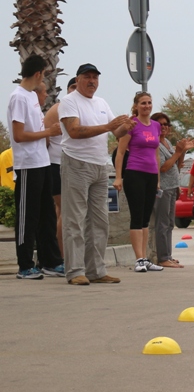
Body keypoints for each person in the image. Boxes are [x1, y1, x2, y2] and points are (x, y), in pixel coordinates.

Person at [59, 63, 133, 285]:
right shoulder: (69, 101)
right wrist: (109, 126)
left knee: (100, 221)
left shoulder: (101, 103)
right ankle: (75, 271)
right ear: (78, 79)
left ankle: (97, 270)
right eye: (87, 77)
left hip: (100, 166)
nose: (92, 81)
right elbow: (74, 131)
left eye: (95, 77)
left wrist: (126, 127)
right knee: (75, 220)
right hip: (76, 164)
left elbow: (115, 131)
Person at [6, 55, 63, 280]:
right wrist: (48, 132)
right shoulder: (18, 97)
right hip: (27, 164)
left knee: (47, 215)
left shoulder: (31, 96)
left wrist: (47, 136)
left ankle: (50, 261)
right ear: (38, 73)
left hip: (42, 162)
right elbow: (19, 135)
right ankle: (25, 265)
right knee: (27, 216)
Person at [113, 92, 164, 273]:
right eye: (143, 103)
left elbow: (157, 154)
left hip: (151, 175)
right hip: (134, 173)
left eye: (149, 102)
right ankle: (139, 259)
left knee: (145, 218)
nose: (147, 106)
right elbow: (120, 153)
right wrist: (118, 177)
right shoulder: (132, 125)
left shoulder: (156, 126)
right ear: (136, 106)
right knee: (136, 216)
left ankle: (145, 258)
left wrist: (157, 179)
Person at [152, 113, 194, 267]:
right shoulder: (155, 144)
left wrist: (181, 151)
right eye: (160, 124)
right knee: (162, 223)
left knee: (170, 223)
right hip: (163, 187)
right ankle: (162, 257)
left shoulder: (167, 143)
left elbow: (176, 164)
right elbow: (162, 168)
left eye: (166, 124)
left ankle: (168, 255)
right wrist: (177, 152)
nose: (163, 127)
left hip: (172, 186)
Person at [43, 77, 76, 256]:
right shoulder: (58, 108)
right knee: (65, 211)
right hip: (56, 164)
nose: (75, 90)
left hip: (73, 165)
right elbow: (45, 137)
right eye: (72, 87)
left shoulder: (84, 109)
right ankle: (62, 258)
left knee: (62, 211)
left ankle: (58, 256)